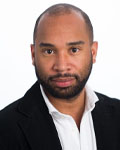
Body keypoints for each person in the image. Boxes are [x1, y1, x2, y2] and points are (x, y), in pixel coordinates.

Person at [0, 3, 120, 150]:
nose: (62, 66)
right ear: (33, 55)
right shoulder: (4, 128)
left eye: (74, 50)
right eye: (49, 51)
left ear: (93, 52)